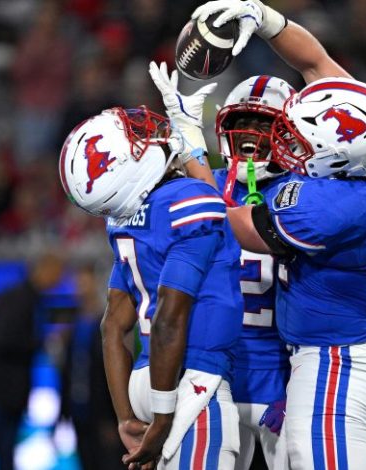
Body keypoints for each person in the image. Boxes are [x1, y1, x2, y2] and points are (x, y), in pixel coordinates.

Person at [192, 1, 366, 467]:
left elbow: (227, 218)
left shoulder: (328, 210)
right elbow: (316, 64)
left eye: (299, 142)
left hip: (335, 361)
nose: (285, 143)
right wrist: (264, 18)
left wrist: (190, 151)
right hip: (350, 347)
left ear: (338, 165)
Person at [58, 75, 243, 469]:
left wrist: (126, 415)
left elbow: (112, 327)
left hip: (145, 378)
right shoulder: (187, 201)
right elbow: (168, 322)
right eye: (134, 139)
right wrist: (163, 414)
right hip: (188, 381)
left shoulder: (124, 219)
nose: (147, 136)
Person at [214, 75, 296, 469]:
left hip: (282, 375)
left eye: (263, 124)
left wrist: (299, 384)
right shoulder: (203, 189)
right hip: (216, 374)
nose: (249, 135)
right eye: (241, 123)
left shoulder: (304, 196)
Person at [0, 251, 65, 470]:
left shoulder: (31, 299)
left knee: (4, 456)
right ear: (43, 270)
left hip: (6, 397)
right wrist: (41, 342)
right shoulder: (19, 298)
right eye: (56, 271)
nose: (59, 279)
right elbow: (0, 338)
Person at [60, 264, 125, 470]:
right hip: (80, 412)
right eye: (78, 284)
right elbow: (69, 370)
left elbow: (111, 370)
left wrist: (113, 417)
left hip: (102, 415)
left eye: (85, 284)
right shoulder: (74, 323)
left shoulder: (108, 323)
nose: (81, 290)